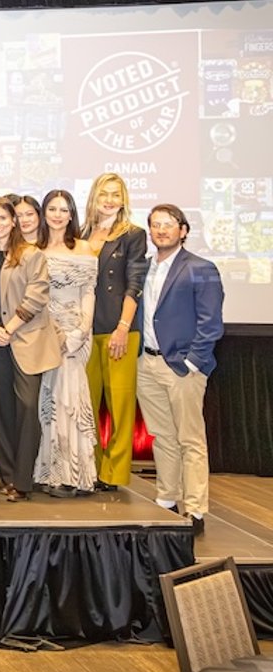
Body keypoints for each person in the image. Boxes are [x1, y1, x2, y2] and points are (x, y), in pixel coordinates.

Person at [137, 204, 225, 535]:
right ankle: (167, 500)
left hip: (182, 367)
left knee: (190, 439)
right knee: (163, 436)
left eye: (169, 225)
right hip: (147, 364)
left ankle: (196, 509)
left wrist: (191, 362)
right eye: (155, 225)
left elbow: (211, 322)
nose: (161, 230)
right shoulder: (144, 268)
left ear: (183, 230)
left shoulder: (201, 268)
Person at [0, 196, 62, 502]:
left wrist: (9, 328)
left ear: (13, 221)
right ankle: (8, 474)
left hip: (25, 339)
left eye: (3, 218)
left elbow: (37, 296)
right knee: (0, 410)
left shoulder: (31, 255)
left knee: (26, 408)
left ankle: (23, 480)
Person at [83, 172, 149, 492]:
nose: (110, 199)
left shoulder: (133, 235)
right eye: (104, 193)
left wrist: (123, 328)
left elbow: (134, 285)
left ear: (123, 200)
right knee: (87, 405)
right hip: (85, 332)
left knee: (121, 408)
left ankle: (114, 473)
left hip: (119, 329)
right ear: (94, 196)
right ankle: (90, 468)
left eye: (116, 194)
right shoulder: (81, 234)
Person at [31, 189, 98, 498]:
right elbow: (33, 296)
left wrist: (80, 331)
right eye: (52, 209)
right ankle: (50, 472)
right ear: (44, 213)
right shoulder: (34, 249)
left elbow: (88, 292)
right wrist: (52, 332)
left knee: (71, 400)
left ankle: (75, 475)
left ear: (72, 214)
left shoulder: (85, 248)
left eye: (63, 209)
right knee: (49, 402)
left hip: (75, 334)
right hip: (45, 334)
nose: (57, 215)